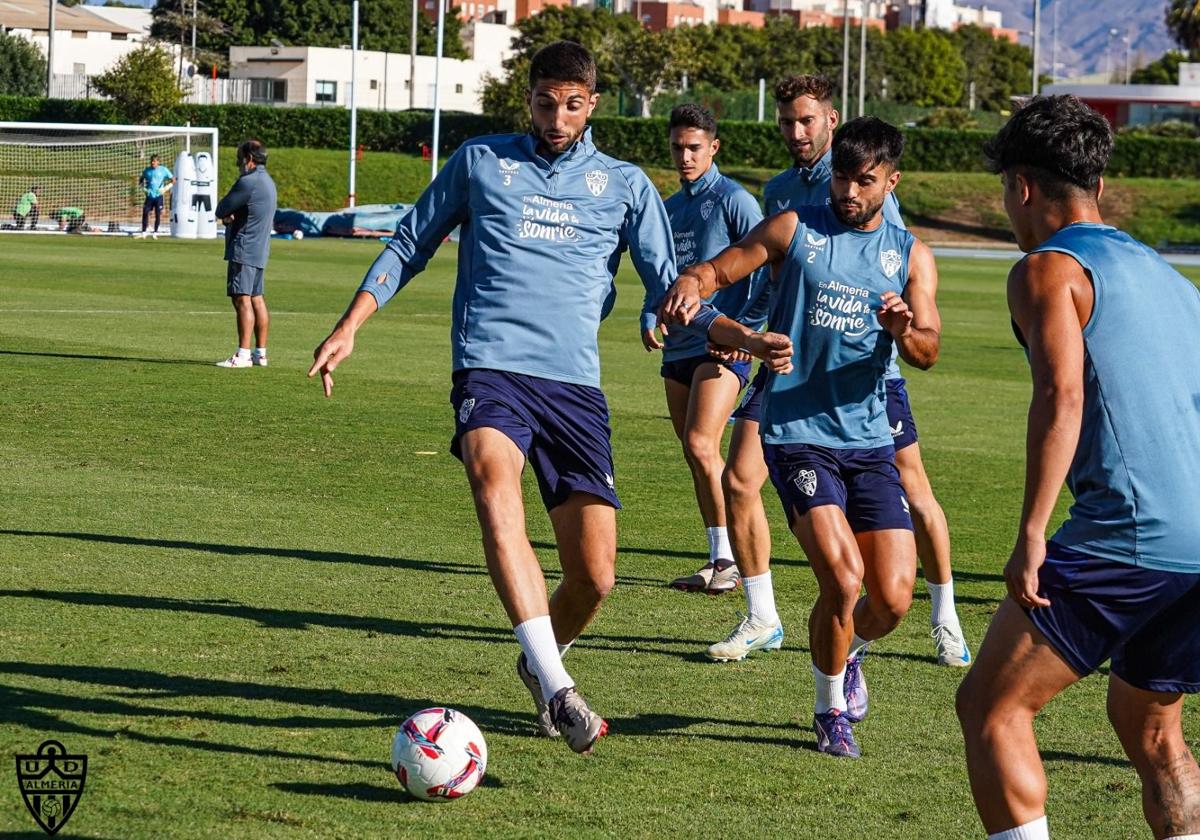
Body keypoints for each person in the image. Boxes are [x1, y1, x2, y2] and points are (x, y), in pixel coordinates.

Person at [308, 41, 792, 756]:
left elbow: (672, 289)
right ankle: (560, 685)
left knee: (594, 578)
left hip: (573, 388)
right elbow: (411, 241)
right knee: (490, 479)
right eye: (544, 102)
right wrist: (352, 324)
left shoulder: (624, 185)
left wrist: (740, 337)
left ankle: (537, 661)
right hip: (490, 369)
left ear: (592, 103)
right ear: (527, 100)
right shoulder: (480, 162)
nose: (557, 117)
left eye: (572, 104)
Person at [956, 95, 1200, 840]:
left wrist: (1032, 533)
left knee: (992, 709)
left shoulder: (1046, 270)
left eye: (1006, 191)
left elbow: (1061, 397)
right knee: (1151, 726)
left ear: (1023, 187)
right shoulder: (1168, 276)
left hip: (1129, 537)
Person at [661, 117, 941, 759]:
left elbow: (928, 351)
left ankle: (853, 652)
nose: (849, 191)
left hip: (869, 439)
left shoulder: (910, 255)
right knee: (842, 581)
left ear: (890, 182)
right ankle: (828, 708)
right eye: (843, 176)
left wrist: (902, 328)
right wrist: (691, 284)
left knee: (893, 599)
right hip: (796, 433)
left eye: (865, 182)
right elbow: (720, 270)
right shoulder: (797, 227)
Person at [707, 74, 971, 669]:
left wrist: (900, 327)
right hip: (794, 369)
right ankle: (763, 615)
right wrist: (746, 334)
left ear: (829, 120)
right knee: (740, 479)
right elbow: (772, 275)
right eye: (786, 122)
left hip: (869, 380)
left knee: (918, 495)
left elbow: (898, 299)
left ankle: (944, 616)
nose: (795, 132)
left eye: (806, 120)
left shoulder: (881, 204)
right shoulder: (783, 196)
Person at [654, 103, 769, 595]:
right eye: (678, 147)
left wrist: (745, 330)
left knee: (703, 443)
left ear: (713, 147)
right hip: (677, 346)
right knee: (693, 451)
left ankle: (735, 561)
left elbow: (768, 266)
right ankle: (719, 556)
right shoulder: (669, 206)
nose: (685, 156)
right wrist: (648, 314)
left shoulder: (735, 200)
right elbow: (662, 275)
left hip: (722, 348)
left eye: (694, 147)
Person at [215, 140, 277, 369]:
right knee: (256, 298)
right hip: (260, 248)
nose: (238, 164)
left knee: (241, 299)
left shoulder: (248, 182)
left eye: (239, 159)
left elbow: (221, 209)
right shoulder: (268, 181)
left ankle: (243, 354)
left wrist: (229, 215)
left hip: (244, 248)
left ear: (249, 159)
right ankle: (260, 354)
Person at [138, 154, 174, 239]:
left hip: (158, 196)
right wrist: (144, 189)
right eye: (151, 161)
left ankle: (155, 232)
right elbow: (141, 180)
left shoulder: (163, 170)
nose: (152, 163)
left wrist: (165, 188)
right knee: (145, 212)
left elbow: (174, 180)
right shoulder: (147, 170)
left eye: (154, 161)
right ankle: (144, 231)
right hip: (150, 195)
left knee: (158, 214)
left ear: (158, 162)